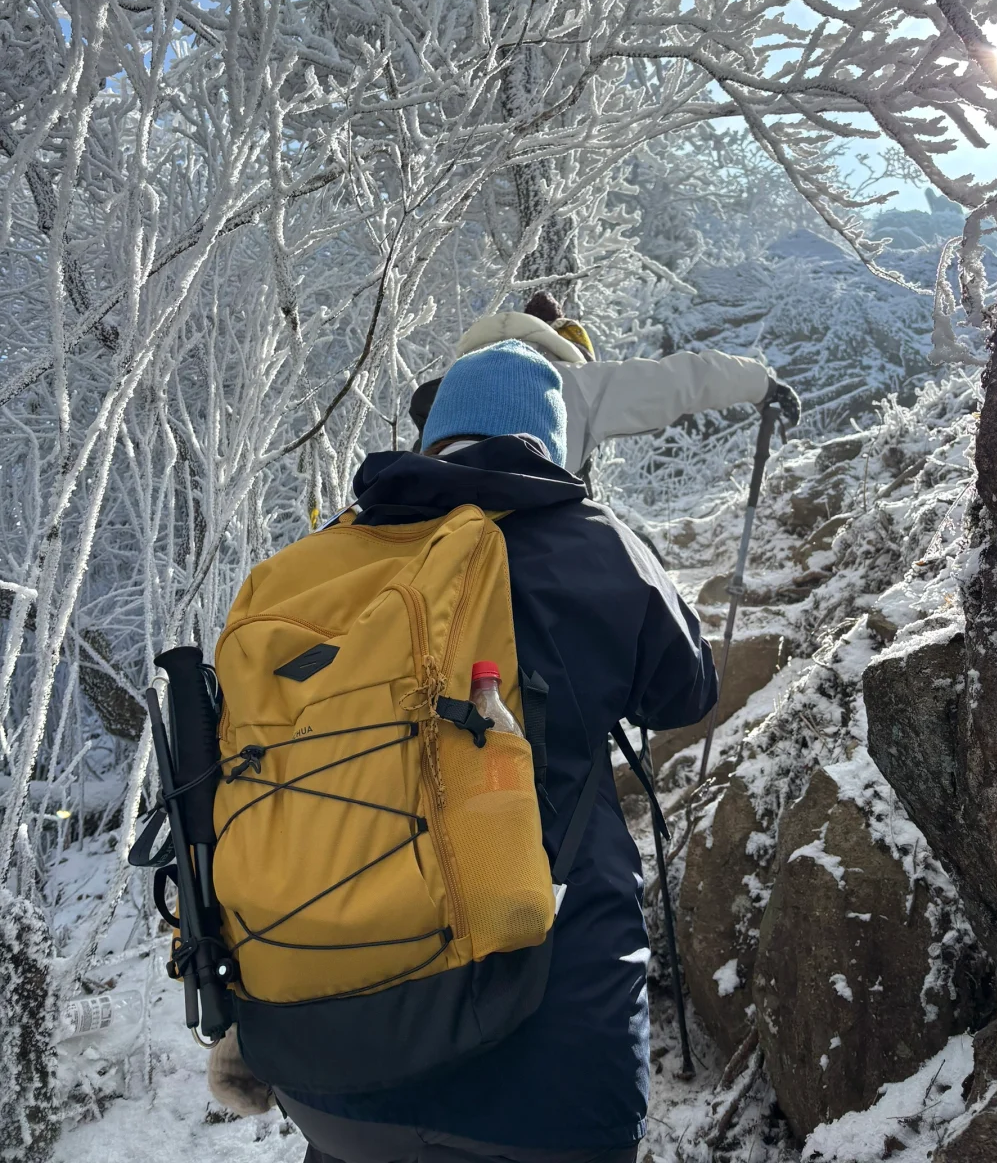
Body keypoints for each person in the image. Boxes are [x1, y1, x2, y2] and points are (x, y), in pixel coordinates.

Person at [234, 339, 719, 1163]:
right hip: (548, 1066)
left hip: (325, 1066)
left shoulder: (308, 566)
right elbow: (687, 692)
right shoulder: (592, 542)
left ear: (434, 438)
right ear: (548, 440)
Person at [409, 292, 801, 477]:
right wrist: (761, 385)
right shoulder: (578, 383)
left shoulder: (455, 381)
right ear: (568, 349)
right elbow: (681, 380)